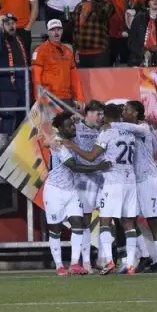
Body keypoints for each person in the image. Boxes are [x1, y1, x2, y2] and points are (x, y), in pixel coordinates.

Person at [62, 103, 139, 275]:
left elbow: (90, 157)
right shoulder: (131, 133)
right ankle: (130, 264)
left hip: (112, 181)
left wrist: (72, 146)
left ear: (105, 116)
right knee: (128, 222)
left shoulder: (107, 132)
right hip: (130, 180)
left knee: (105, 221)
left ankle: (109, 261)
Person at [44, 112, 109, 276]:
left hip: (71, 190)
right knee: (55, 229)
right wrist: (98, 167)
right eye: (68, 126)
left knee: (78, 224)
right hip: (54, 190)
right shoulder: (58, 144)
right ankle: (59, 266)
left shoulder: (67, 140)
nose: (73, 128)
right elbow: (74, 166)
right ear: (59, 129)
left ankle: (74, 263)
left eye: (72, 125)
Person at [122, 100, 157, 272]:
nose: (124, 112)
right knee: (127, 219)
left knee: (152, 221)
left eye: (126, 110)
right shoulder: (134, 128)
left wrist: (110, 124)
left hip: (148, 179)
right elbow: (155, 147)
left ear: (135, 113)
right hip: (134, 180)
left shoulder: (143, 128)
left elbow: (154, 147)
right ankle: (145, 256)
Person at [70, 101, 105, 272]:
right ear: (88, 113)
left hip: (102, 178)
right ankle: (85, 262)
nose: (100, 117)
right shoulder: (75, 128)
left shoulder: (103, 130)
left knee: (107, 218)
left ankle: (103, 259)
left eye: (102, 114)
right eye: (98, 114)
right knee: (85, 221)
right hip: (82, 180)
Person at [0, 13, 29, 134]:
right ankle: (5, 147)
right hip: (7, 86)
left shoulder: (19, 39)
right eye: (7, 24)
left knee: (23, 118)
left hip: (22, 85)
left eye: (13, 23)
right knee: (8, 117)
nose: (11, 26)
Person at [31, 19, 84, 105]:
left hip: (66, 97)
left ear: (62, 31)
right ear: (48, 32)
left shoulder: (68, 51)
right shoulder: (40, 50)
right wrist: (38, 97)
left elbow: (74, 76)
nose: (56, 33)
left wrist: (79, 97)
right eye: (53, 30)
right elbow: (36, 76)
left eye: (58, 29)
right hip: (48, 97)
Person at [71, 0, 113, 68]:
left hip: (99, 52)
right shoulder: (78, 7)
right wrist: (75, 49)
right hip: (82, 53)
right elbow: (75, 30)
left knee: (101, 82)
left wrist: (96, 1)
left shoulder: (105, 2)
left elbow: (105, 14)